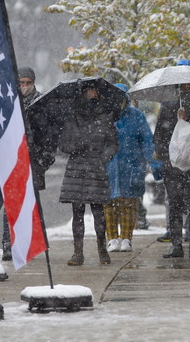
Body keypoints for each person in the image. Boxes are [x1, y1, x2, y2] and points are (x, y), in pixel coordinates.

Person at [0, 66, 42, 261]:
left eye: (28, 83)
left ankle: (10, 246)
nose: (24, 87)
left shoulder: (38, 104)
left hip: (18, 167)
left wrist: (39, 161)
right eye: (21, 83)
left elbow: (41, 139)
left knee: (14, 211)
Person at [59, 84, 119, 266]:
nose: (92, 93)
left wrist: (103, 157)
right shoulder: (72, 118)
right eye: (89, 90)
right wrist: (76, 146)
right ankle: (78, 253)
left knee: (98, 212)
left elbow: (113, 143)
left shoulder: (105, 117)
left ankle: (102, 249)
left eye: (95, 90)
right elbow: (63, 145)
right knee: (77, 212)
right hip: (76, 170)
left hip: (95, 168)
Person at [154, 67, 190, 259]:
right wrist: (166, 156)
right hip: (173, 166)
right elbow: (159, 136)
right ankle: (177, 245)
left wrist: (189, 123)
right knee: (175, 205)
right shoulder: (168, 108)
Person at [105, 83, 161, 253]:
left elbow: (147, 141)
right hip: (109, 166)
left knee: (129, 203)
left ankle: (126, 239)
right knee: (110, 203)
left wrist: (154, 163)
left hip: (132, 166)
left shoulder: (136, 116)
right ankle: (112, 239)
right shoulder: (105, 116)